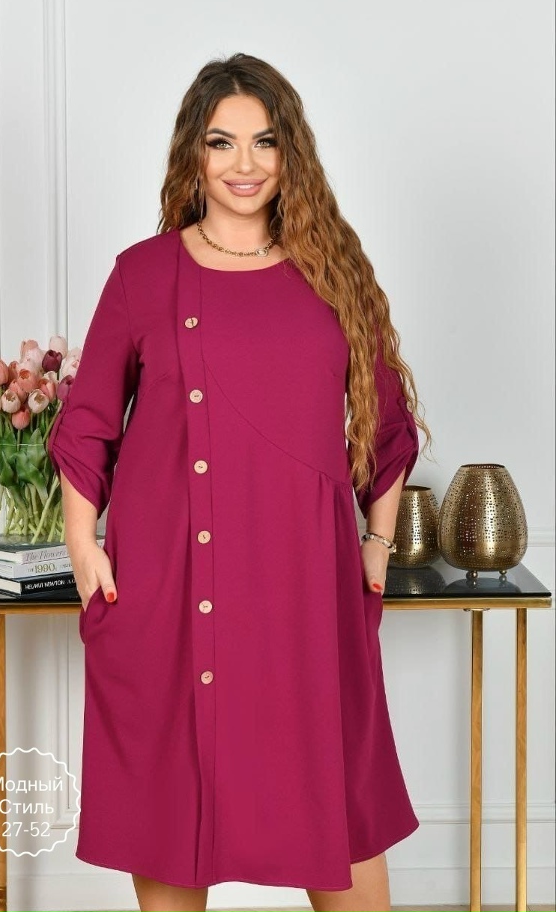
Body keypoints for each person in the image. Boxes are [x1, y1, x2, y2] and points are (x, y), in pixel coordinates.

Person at [48, 52, 432, 912]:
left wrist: (377, 543)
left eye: (265, 142)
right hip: (173, 584)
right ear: (194, 152)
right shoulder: (144, 274)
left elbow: (385, 423)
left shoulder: (335, 271)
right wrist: (81, 540)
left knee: (338, 807)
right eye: (222, 142)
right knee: (171, 806)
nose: (244, 164)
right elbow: (89, 422)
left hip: (303, 586)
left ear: (291, 153)